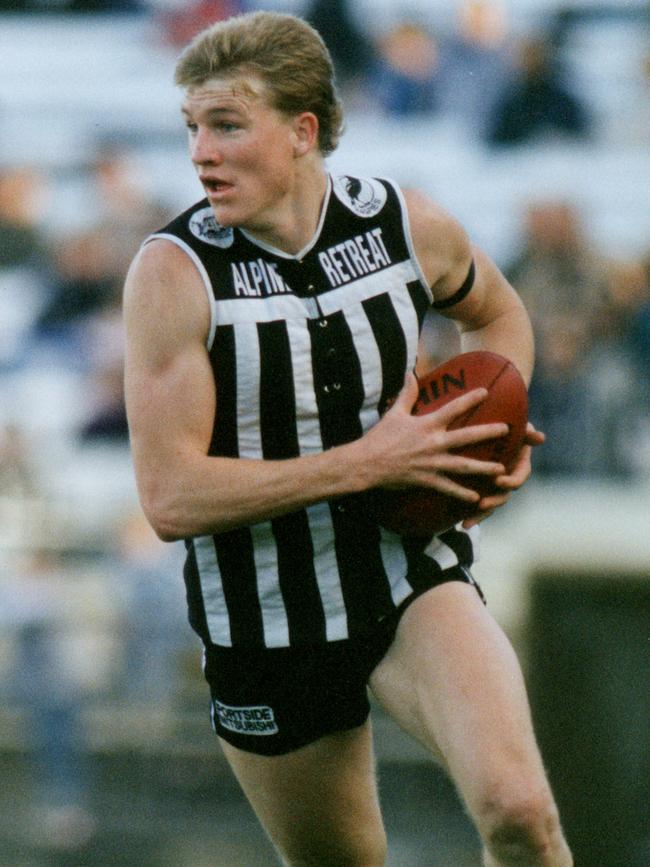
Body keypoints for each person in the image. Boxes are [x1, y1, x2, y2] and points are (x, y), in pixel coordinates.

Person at [123, 11, 573, 867]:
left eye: (225, 125)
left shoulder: (403, 225)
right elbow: (170, 497)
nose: (200, 153)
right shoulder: (173, 274)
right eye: (192, 128)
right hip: (263, 619)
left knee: (520, 814)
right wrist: (365, 462)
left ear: (301, 132)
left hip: (411, 568)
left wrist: (497, 433)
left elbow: (500, 314)